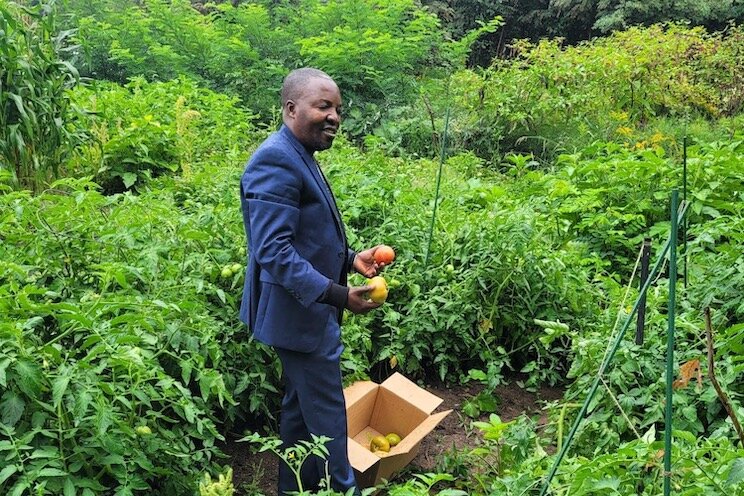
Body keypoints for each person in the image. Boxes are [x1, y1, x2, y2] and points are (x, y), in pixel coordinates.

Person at [239, 67, 386, 494]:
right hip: (300, 315)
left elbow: (305, 237)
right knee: (327, 416)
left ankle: (292, 489)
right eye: (323, 106)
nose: (334, 116)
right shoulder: (275, 159)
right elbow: (274, 251)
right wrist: (339, 295)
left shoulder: (299, 154)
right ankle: (345, 490)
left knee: (301, 414)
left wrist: (348, 259)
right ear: (291, 109)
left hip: (305, 311)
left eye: (338, 108)